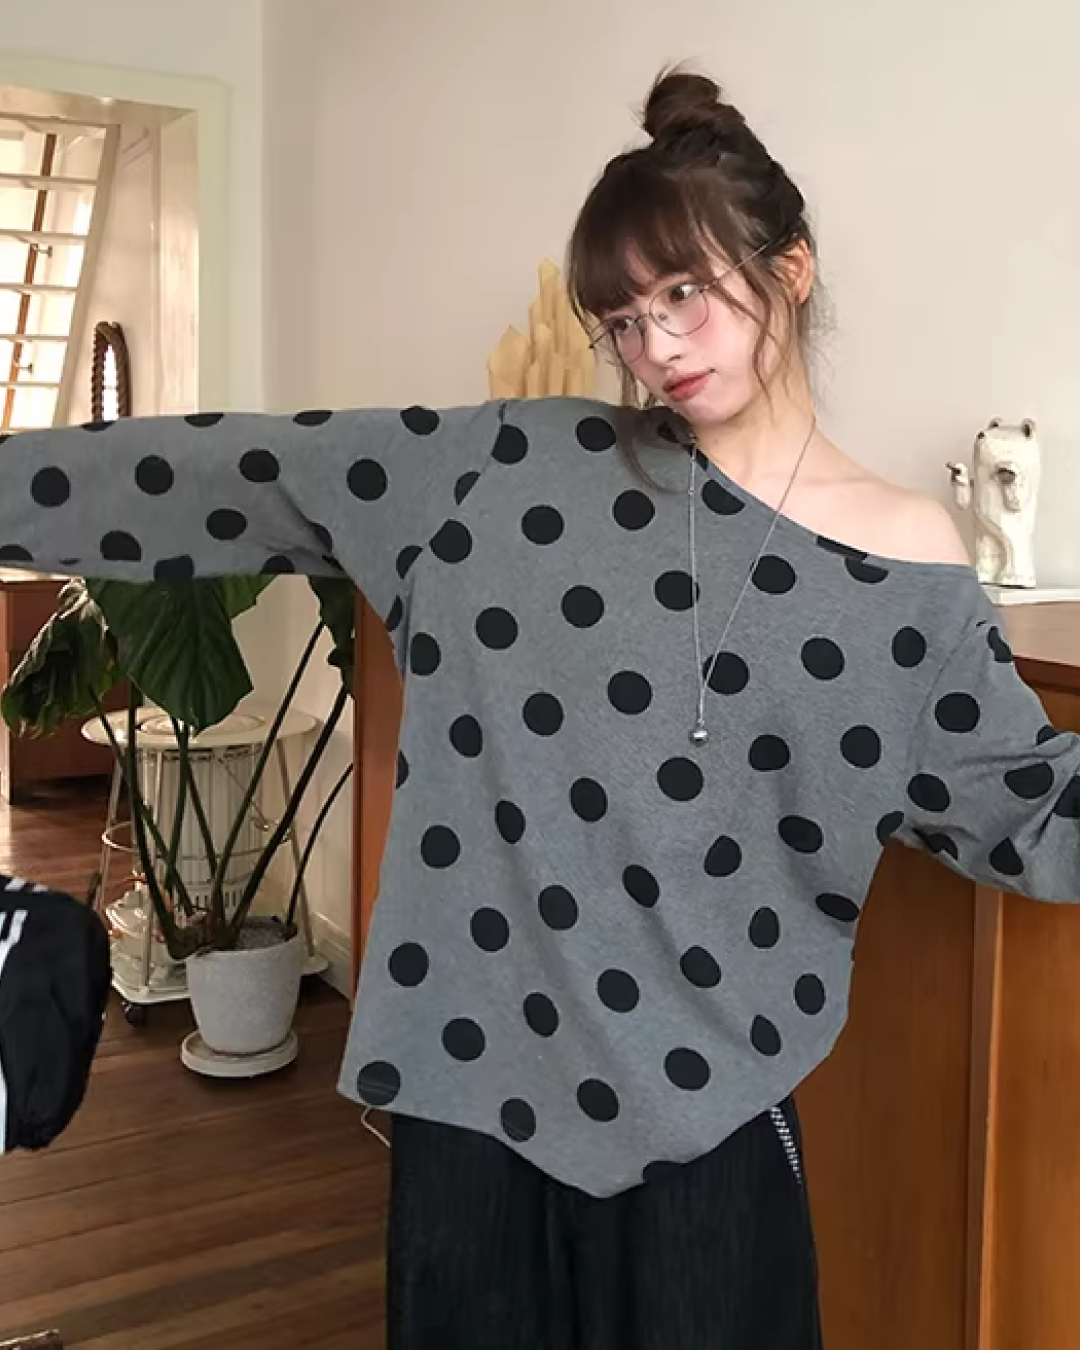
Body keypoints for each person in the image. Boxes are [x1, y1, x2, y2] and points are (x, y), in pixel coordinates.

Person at [2, 65, 1079, 1349]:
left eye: (685, 294)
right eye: (622, 318)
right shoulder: (507, 469)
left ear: (790, 269)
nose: (655, 346)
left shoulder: (912, 569)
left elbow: (1027, 811)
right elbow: (235, 470)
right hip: (470, 1092)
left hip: (710, 1121)